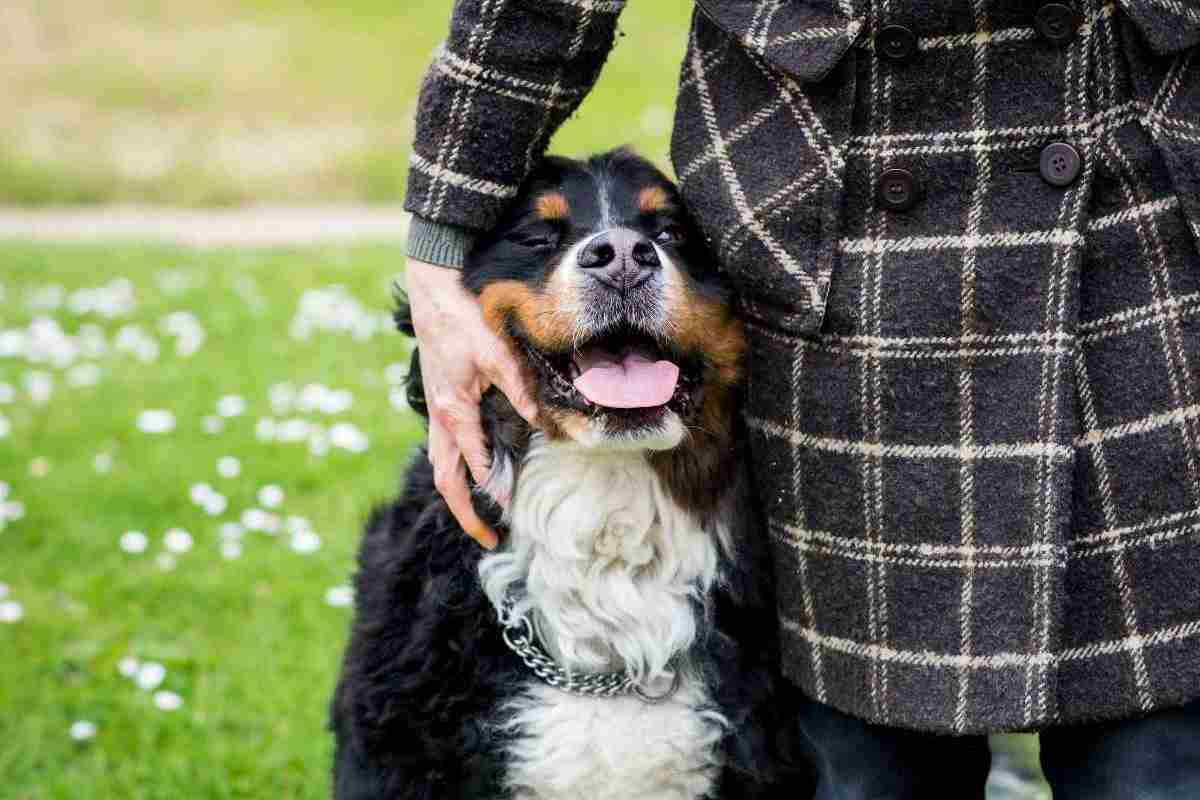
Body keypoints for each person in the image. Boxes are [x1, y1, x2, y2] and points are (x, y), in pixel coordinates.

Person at [402, 1, 1200, 797]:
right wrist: (440, 241)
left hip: (1136, 201)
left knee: (1154, 765)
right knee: (874, 770)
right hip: (832, 222)